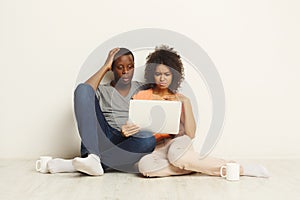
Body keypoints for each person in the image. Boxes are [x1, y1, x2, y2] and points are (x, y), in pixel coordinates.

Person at [131, 45, 270, 178]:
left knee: (178, 157)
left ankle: (237, 169)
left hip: (177, 143)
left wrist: (186, 102)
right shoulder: (141, 96)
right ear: (151, 74)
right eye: (158, 74)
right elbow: (133, 125)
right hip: (155, 147)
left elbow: (190, 134)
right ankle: (192, 166)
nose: (162, 79)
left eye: (167, 74)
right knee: (144, 167)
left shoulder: (180, 98)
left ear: (174, 75)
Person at [47, 48, 156, 175]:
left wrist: (133, 129)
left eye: (130, 67)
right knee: (82, 88)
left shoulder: (142, 88)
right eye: (120, 67)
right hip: (102, 138)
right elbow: (83, 92)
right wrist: (105, 66)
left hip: (127, 142)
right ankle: (93, 156)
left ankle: (82, 164)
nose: (125, 71)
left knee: (148, 140)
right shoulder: (102, 90)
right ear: (113, 68)